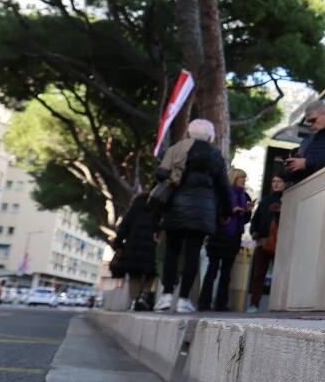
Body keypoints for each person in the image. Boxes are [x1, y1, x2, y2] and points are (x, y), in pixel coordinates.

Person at [155, 118, 229, 315]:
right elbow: (223, 186)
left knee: (172, 252)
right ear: (211, 136)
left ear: (189, 133)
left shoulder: (177, 149)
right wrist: (226, 211)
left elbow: (160, 174)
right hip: (203, 211)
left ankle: (166, 296)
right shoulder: (216, 155)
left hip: (176, 207)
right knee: (192, 254)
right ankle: (183, 299)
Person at [198, 169, 253, 311]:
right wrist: (231, 211)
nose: (243, 181)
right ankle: (204, 303)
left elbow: (245, 220)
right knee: (212, 270)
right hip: (219, 236)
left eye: (244, 178)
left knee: (227, 273)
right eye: (241, 178)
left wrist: (248, 211)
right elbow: (216, 212)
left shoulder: (245, 196)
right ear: (234, 178)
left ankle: (221, 304)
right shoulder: (223, 193)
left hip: (234, 237)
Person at [108, 191, 162, 312]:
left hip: (133, 249)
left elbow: (124, 227)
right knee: (150, 274)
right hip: (152, 248)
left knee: (134, 275)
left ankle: (134, 299)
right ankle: (145, 295)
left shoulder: (134, 208)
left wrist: (118, 244)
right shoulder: (157, 208)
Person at [245, 176, 284, 312]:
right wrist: (254, 231)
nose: (276, 184)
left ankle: (277, 304)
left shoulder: (288, 199)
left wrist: (280, 212)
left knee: (280, 275)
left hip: (281, 242)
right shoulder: (265, 201)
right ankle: (254, 304)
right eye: (274, 181)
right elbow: (255, 220)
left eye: (279, 181)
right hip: (263, 241)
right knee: (258, 275)